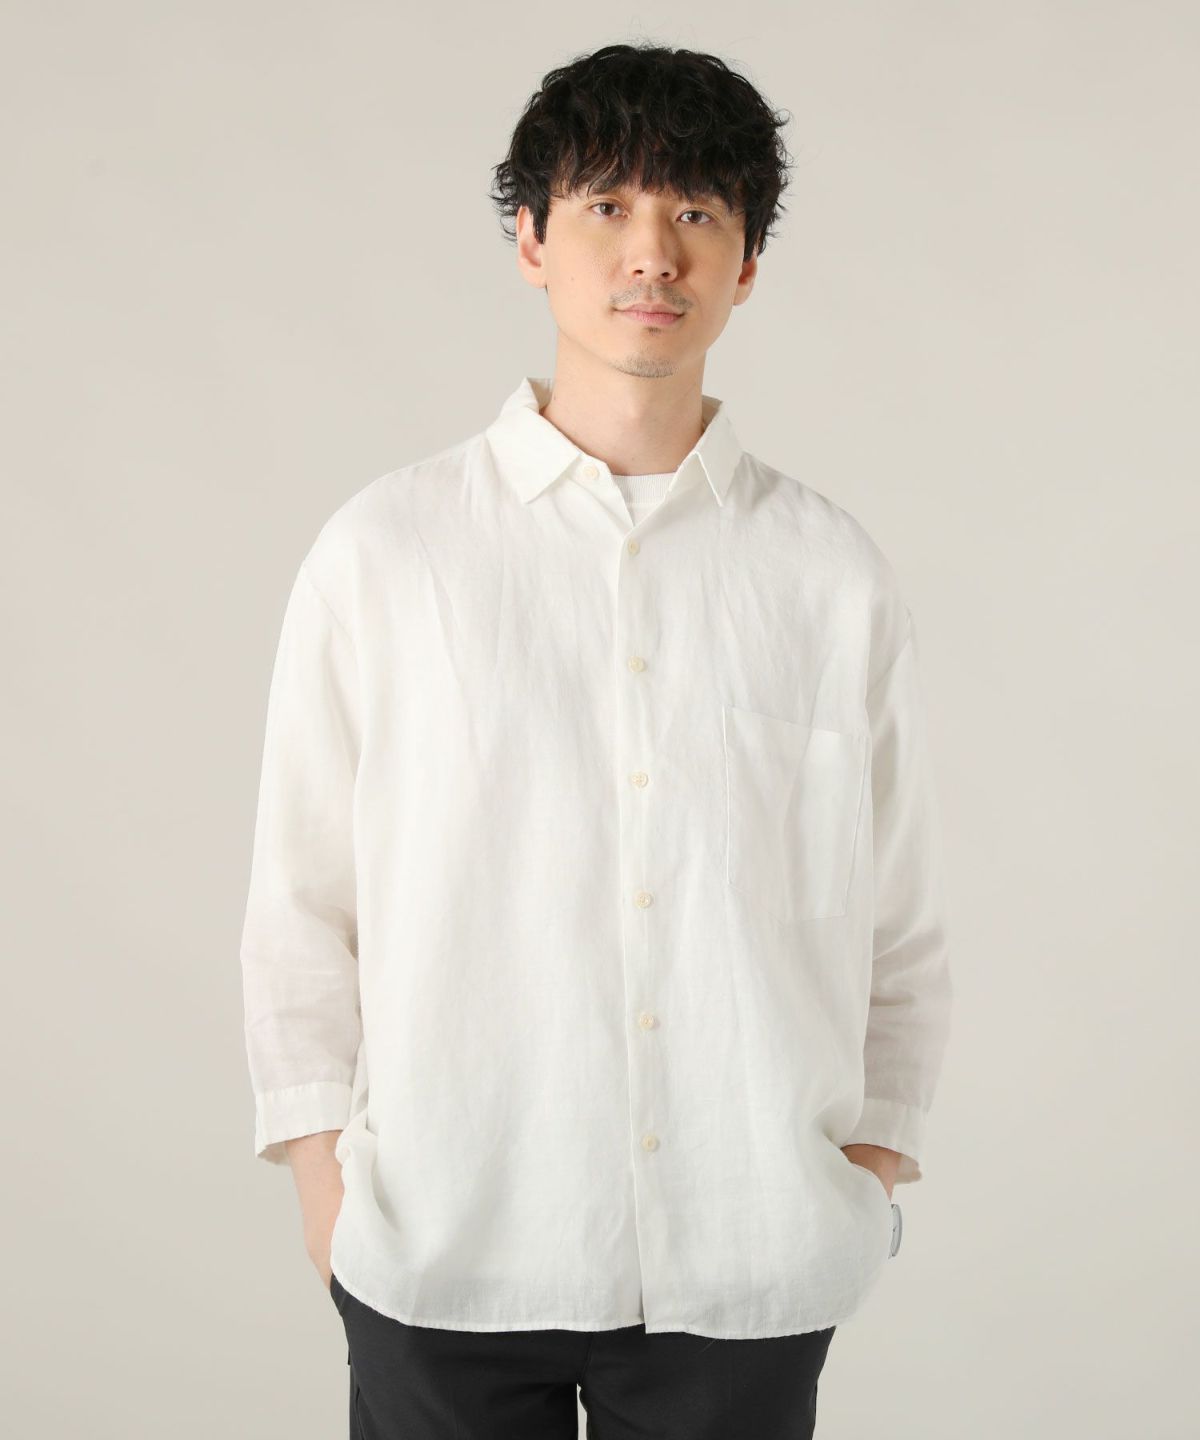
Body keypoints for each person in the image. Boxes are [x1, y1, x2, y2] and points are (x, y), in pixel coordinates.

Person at [239, 40, 953, 1440]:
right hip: (443, 1255)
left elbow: (901, 924)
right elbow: (300, 903)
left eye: (697, 212)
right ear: (530, 240)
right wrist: (331, 1201)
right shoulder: (386, 554)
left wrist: (863, 1182)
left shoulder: (830, 579)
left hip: (748, 1268)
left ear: (747, 263)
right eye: (607, 207)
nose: (652, 254)